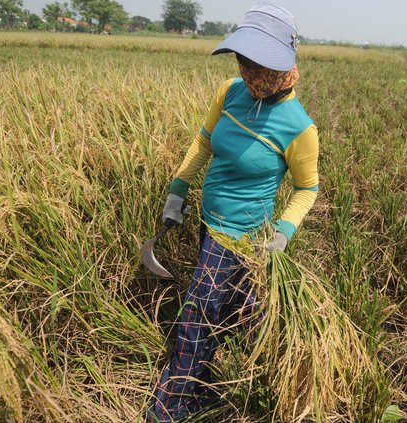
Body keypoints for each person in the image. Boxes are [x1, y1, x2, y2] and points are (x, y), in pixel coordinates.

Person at [146, 3, 319, 421]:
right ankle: (253, 389)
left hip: (243, 239)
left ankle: (170, 406)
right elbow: (204, 142)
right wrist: (178, 189)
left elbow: (307, 189)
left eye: (259, 64)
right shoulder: (230, 91)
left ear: (283, 63)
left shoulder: (298, 127)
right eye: (245, 61)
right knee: (239, 314)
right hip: (210, 226)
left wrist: (282, 232)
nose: (249, 71)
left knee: (199, 315)